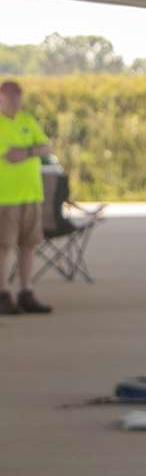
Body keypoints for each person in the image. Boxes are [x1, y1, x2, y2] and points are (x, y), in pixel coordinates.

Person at [0, 79, 53, 315]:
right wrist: (33, 150)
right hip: (6, 196)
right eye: (10, 96)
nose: (15, 100)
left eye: (18, 96)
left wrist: (29, 151)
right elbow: (11, 155)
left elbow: (46, 146)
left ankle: (25, 291)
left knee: (28, 244)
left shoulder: (27, 120)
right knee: (3, 246)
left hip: (31, 193)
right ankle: (2, 293)